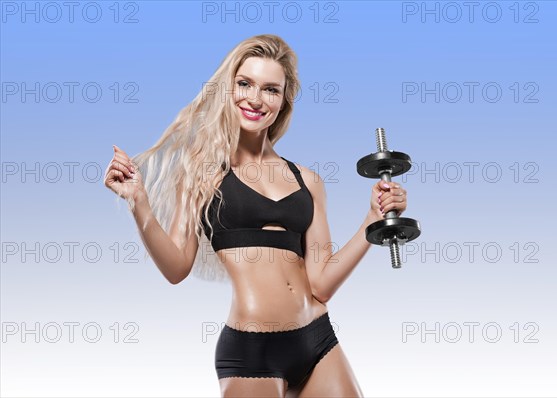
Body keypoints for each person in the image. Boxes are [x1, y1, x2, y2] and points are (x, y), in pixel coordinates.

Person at [103, 34, 408, 397]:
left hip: (319, 339)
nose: (255, 98)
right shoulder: (202, 174)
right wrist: (139, 202)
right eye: (244, 84)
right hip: (252, 352)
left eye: (270, 89)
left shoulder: (308, 181)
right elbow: (175, 269)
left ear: (283, 101)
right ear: (227, 90)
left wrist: (373, 221)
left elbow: (322, 283)